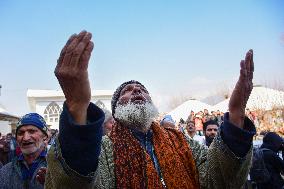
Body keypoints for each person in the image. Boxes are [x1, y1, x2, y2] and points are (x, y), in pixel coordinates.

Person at [45, 31, 256, 188]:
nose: (136, 91)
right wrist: (77, 106)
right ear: (116, 111)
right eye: (127, 91)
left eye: (142, 90)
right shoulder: (101, 150)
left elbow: (218, 180)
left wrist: (236, 115)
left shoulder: (182, 143)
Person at [0, 113, 49, 189]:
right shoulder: (5, 171)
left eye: (32, 131)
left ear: (45, 136)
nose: (25, 138)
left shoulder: (58, 168)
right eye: (21, 133)